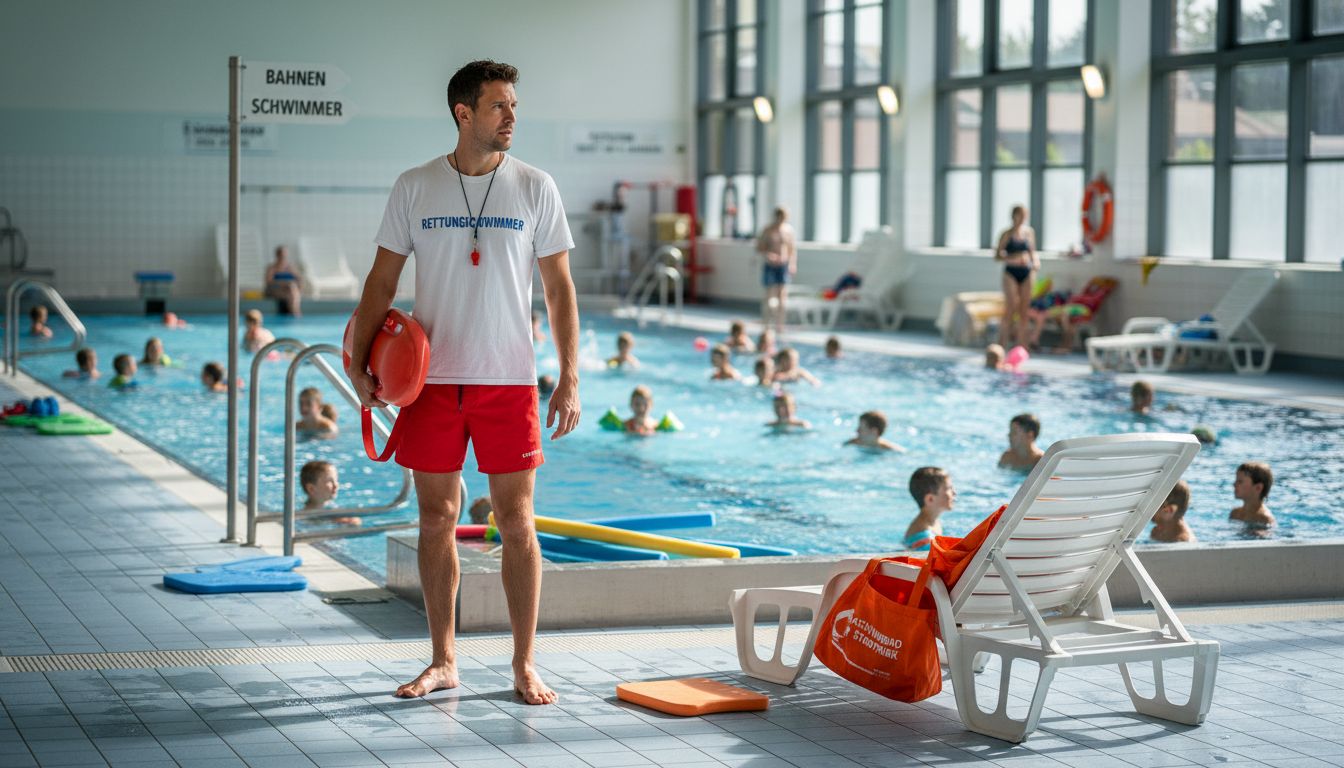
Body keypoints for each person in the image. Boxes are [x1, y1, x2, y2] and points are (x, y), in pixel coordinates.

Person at [346, 59, 579, 706]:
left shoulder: (535, 187)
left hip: (508, 380)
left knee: (518, 521)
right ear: (464, 113)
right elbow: (381, 282)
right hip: (431, 382)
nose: (511, 117)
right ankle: (443, 660)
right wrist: (358, 363)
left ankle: (524, 663)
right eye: (499, 106)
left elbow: (560, 291)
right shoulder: (416, 186)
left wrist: (569, 378)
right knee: (436, 518)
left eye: (514, 106)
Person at [994, 205, 1039, 348]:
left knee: (1024, 310)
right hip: (1011, 272)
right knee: (1011, 307)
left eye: (1024, 215)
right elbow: (998, 255)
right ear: (1013, 216)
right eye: (1019, 215)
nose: (1021, 219)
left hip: (1026, 271)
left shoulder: (1029, 233)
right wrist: (1012, 257)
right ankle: (1002, 344)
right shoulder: (1006, 234)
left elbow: (1033, 252)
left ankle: (1022, 346)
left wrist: (1035, 262)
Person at [756, 206, 797, 336]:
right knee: (769, 296)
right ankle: (767, 324)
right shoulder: (768, 230)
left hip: (783, 265)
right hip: (771, 265)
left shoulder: (788, 230)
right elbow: (759, 248)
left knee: (782, 297)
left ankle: (780, 325)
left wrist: (792, 264)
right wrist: (769, 255)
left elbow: (792, 249)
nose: (781, 221)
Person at [906, 467, 956, 552]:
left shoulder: (933, 521)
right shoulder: (924, 539)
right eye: (948, 488)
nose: (954, 493)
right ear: (930, 499)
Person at [301, 460, 361, 526]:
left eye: (336, 480)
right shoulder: (301, 518)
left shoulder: (334, 509)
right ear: (311, 488)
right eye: (329, 481)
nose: (336, 485)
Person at [1230, 461, 1275, 528]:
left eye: (1240, 481)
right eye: (1236, 481)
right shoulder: (1235, 514)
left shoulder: (1264, 518)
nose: (1234, 484)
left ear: (1258, 488)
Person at [265, 245, 303, 317]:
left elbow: (299, 279)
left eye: (284, 255)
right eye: (281, 255)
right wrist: (283, 283)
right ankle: (295, 311)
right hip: (275, 290)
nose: (283, 257)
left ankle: (293, 310)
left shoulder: (290, 267)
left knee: (292, 288)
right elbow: (268, 281)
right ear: (277, 255)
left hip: (288, 291)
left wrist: (298, 287)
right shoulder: (272, 268)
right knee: (291, 289)